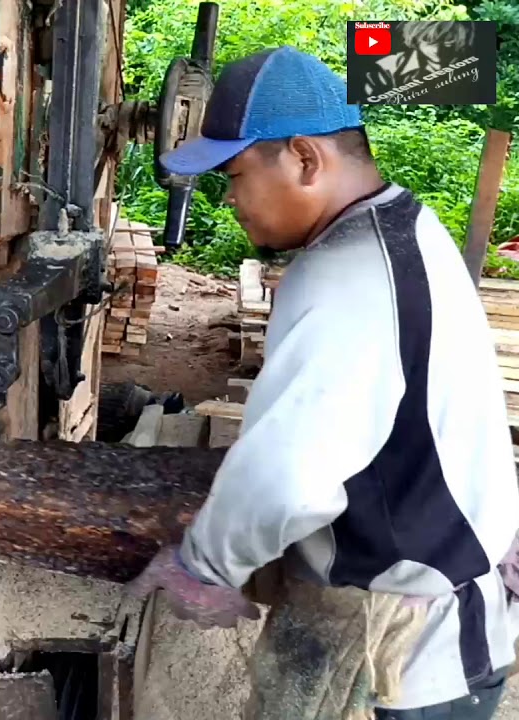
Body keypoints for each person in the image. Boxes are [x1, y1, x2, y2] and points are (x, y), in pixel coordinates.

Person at [125, 46, 519, 719]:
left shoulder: (340, 275)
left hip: (399, 657)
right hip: (455, 625)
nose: (230, 200)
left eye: (237, 174)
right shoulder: (409, 224)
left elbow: (286, 477)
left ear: (305, 158)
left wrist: (205, 568)